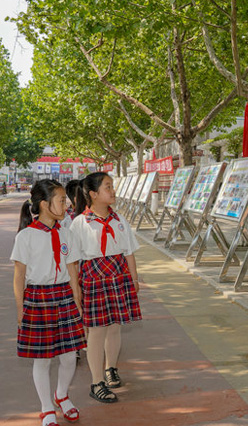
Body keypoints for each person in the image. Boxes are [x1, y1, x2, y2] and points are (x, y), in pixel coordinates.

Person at [12, 179, 85, 426]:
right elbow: (19, 276)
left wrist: (77, 301)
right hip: (37, 298)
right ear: (44, 204)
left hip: (63, 296)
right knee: (42, 359)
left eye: (66, 200)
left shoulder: (67, 233)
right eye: (61, 200)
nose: (67, 204)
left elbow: (73, 270)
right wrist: (21, 309)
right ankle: (46, 407)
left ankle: (62, 394)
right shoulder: (26, 236)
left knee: (68, 355)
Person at [70, 172, 141, 403]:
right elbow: (73, 260)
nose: (112, 191)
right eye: (107, 187)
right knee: (97, 330)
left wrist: (134, 279)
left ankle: (111, 369)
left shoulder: (120, 220)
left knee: (114, 327)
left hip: (118, 275)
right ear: (93, 194)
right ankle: (97, 382)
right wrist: (76, 289)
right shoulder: (80, 222)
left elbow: (129, 251)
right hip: (94, 277)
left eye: (112, 186)